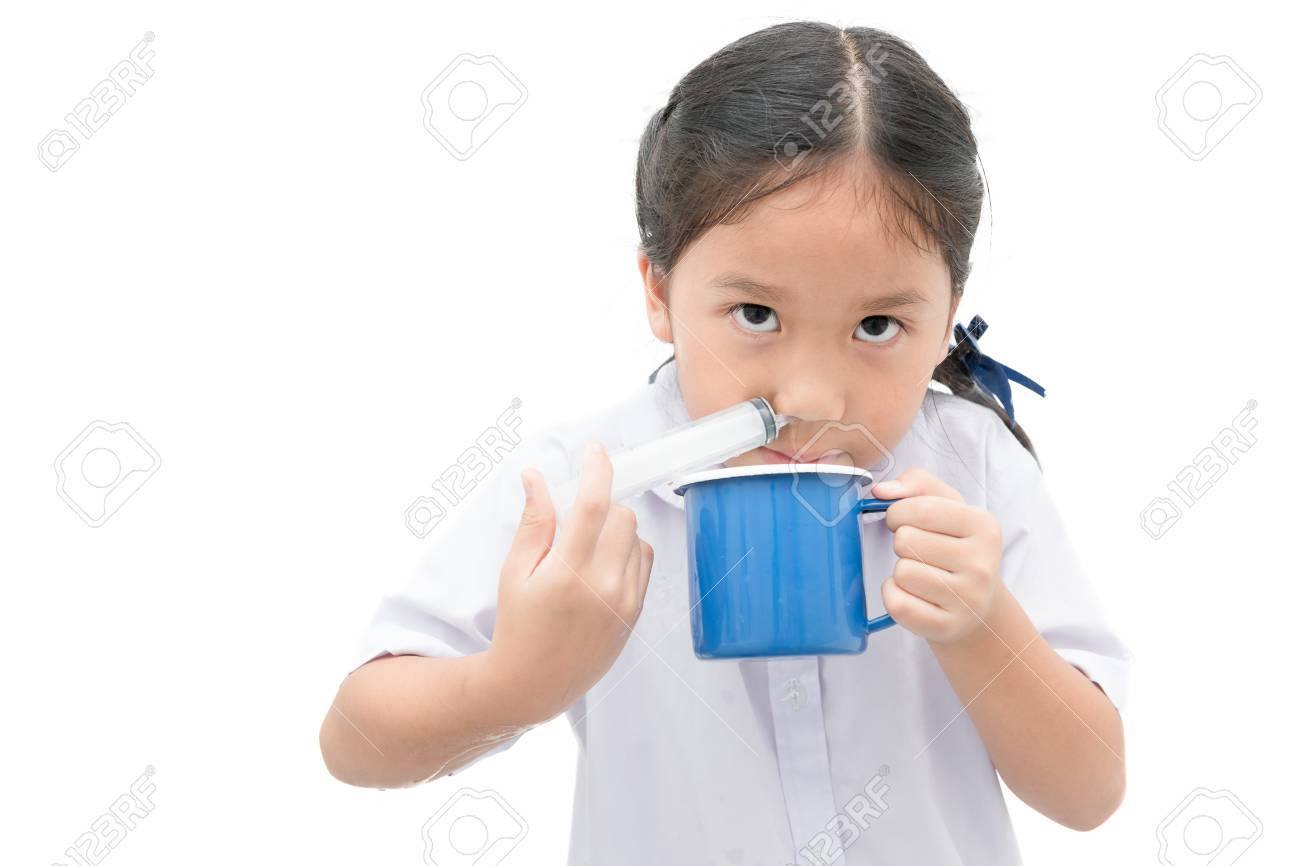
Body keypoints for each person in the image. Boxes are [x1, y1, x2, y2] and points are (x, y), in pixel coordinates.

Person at [320, 21, 1131, 865]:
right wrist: (510, 685)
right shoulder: (585, 485)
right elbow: (352, 741)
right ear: (659, 291)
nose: (810, 398)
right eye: (755, 314)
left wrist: (985, 630)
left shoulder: (976, 467)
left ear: (948, 315)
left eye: (877, 325)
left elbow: (1090, 793)